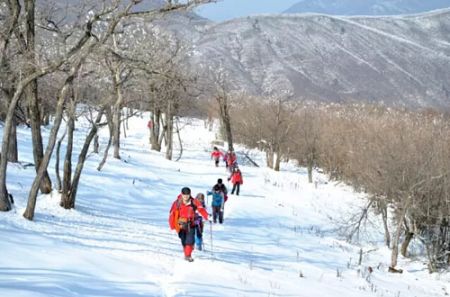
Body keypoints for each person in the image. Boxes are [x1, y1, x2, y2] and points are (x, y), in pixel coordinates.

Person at [169, 187, 209, 262]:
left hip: (191, 224)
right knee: (184, 242)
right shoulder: (177, 203)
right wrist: (172, 226)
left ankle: (188, 255)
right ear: (182, 194)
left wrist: (207, 216)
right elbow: (172, 214)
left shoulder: (194, 202)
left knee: (190, 241)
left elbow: (201, 209)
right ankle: (187, 251)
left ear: (190, 194)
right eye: (184, 195)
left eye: (187, 195)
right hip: (181, 225)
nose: (186, 197)